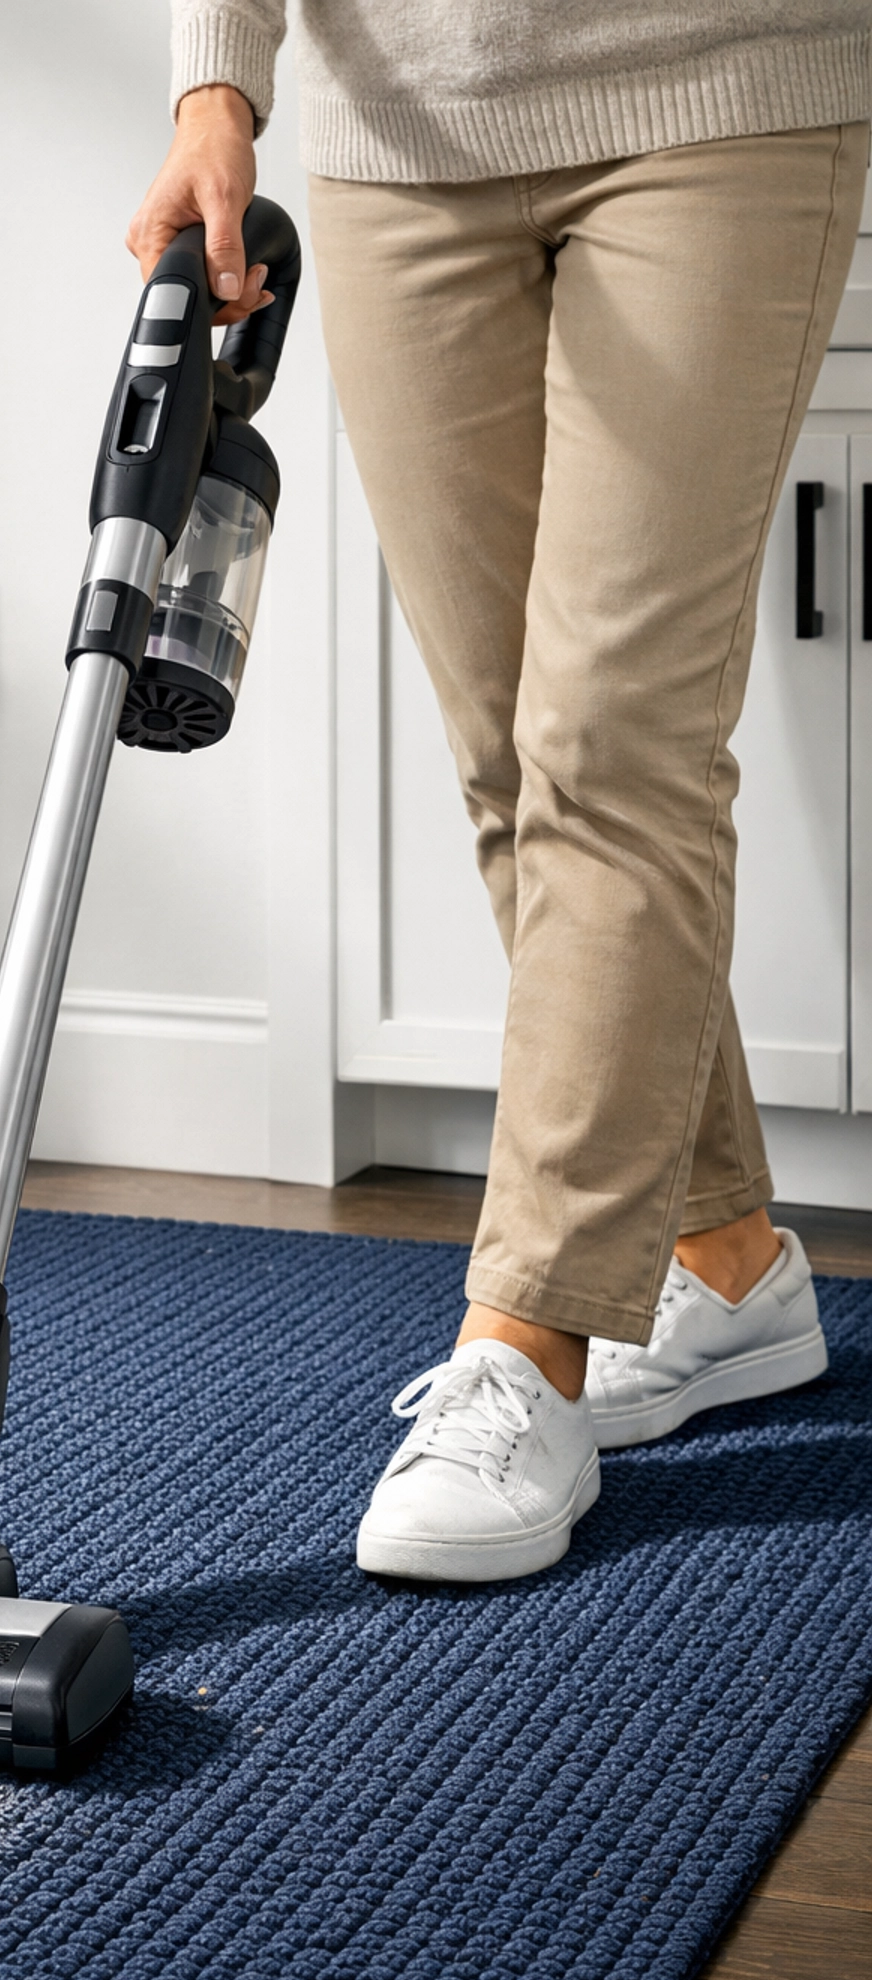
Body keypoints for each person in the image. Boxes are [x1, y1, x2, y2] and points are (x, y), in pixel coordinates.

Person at [131, 4, 870, 1582]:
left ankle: (525, 1347)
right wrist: (216, 89)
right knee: (511, 754)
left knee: (616, 745)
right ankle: (728, 1263)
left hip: (717, 92)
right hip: (401, 127)